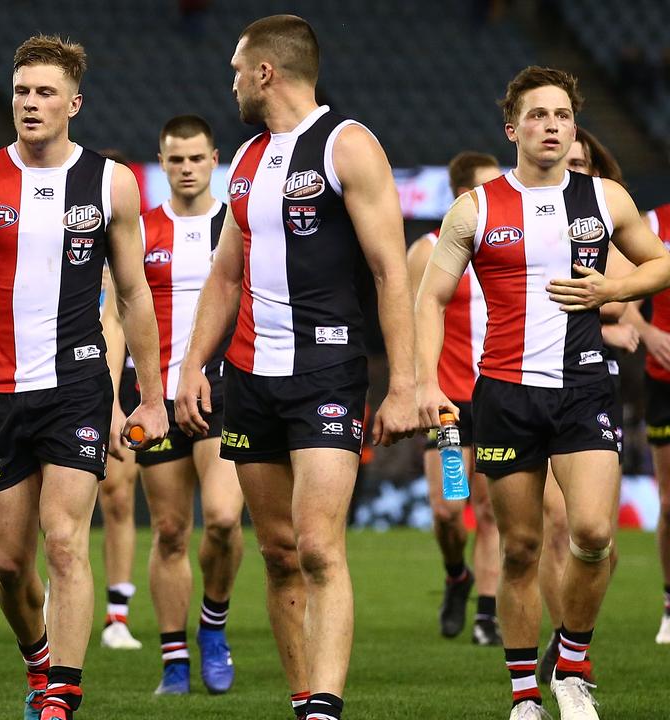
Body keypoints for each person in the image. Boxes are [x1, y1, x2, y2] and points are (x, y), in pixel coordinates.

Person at [175, 16, 419, 720]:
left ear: (265, 73)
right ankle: (301, 698)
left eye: (235, 69)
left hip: (326, 372)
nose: (230, 83)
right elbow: (225, 276)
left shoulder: (349, 145)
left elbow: (389, 273)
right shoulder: (247, 158)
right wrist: (194, 366)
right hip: (249, 377)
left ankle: (326, 709)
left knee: (317, 544)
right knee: (279, 552)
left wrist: (402, 384)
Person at [0, 35, 169, 720]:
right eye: (22, 91)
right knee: (7, 565)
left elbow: (132, 295)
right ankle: (37, 660)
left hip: (79, 384)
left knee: (64, 541)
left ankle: (61, 695)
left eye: (45, 93)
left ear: (74, 104)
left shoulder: (111, 183)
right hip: (1, 389)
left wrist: (148, 393)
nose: (29, 103)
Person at [416, 66, 670, 720]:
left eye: (562, 115)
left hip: (583, 389)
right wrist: (421, 385)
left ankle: (573, 667)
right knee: (497, 533)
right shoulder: (473, 210)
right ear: (513, 128)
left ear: (573, 126)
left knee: (589, 533)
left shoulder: (604, 199)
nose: (551, 125)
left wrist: (612, 293)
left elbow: (659, 261)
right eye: (537, 115)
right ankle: (522, 688)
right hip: (492, 399)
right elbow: (430, 298)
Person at [118, 114, 245, 695]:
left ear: (213, 158)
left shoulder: (236, 224)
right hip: (155, 397)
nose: (187, 168)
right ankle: (174, 659)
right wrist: (112, 401)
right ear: (162, 162)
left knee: (221, 518)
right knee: (169, 529)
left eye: (196, 158)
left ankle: (212, 627)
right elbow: (116, 313)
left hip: (223, 391)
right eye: (176, 159)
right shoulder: (141, 231)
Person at [537, 127, 636, 681]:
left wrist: (614, 312)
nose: (574, 169)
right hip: (533, 380)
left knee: (595, 535)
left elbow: (633, 286)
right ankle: (566, 645)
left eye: (584, 162)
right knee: (555, 524)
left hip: (595, 382)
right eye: (567, 160)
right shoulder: (531, 217)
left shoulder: (607, 220)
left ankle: (574, 631)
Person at [405, 151, 504, 645]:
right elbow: (405, 325)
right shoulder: (427, 250)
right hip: (447, 402)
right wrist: (411, 386)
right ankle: (455, 575)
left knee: (489, 510)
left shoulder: (509, 244)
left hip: (496, 397)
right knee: (448, 509)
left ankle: (487, 614)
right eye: (487, 187)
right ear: (463, 193)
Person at [95, 148, 142, 653]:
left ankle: (116, 616)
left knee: (119, 495)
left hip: (118, 381)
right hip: (68, 378)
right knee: (60, 500)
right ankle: (54, 593)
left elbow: (117, 324)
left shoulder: (133, 243)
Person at [636, 196, 670, 645]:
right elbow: (617, 289)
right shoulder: (652, 222)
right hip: (664, 380)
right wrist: (646, 332)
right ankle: (669, 602)